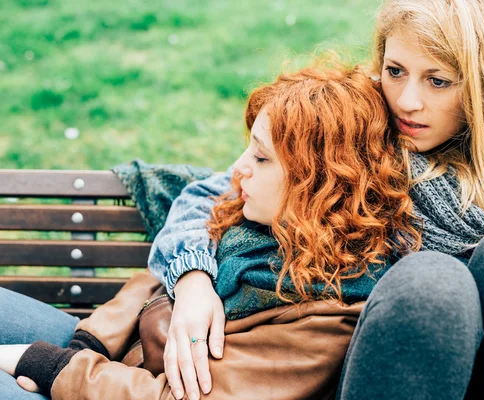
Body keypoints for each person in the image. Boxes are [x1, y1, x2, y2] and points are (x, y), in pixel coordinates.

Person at [142, 0, 484, 399]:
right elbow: (213, 191)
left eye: (438, 81)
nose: (407, 101)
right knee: (432, 280)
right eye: (395, 70)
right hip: (404, 368)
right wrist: (193, 281)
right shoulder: (364, 134)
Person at [0, 59, 422, 399]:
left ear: (320, 184)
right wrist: (87, 345)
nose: (237, 169)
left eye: (260, 158)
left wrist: (49, 367)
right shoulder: (261, 222)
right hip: (97, 364)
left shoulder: (327, 315)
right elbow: (152, 284)